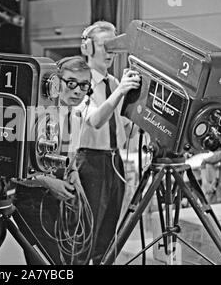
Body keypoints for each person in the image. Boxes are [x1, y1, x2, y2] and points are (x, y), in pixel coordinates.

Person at [75, 21, 141, 264]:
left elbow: (125, 128)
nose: (111, 52)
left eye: (115, 46)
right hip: (90, 162)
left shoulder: (114, 83)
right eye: (105, 45)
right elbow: (95, 120)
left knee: (109, 235)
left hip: (115, 161)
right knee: (86, 234)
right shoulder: (81, 82)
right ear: (88, 48)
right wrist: (121, 91)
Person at [15, 56, 91, 265]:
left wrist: (73, 172)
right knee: (46, 262)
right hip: (30, 198)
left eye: (84, 85)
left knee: (65, 258)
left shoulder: (75, 117)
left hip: (55, 200)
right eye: (71, 83)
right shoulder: (38, 115)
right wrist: (47, 182)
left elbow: (71, 156)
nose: (77, 91)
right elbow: (17, 169)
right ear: (57, 82)